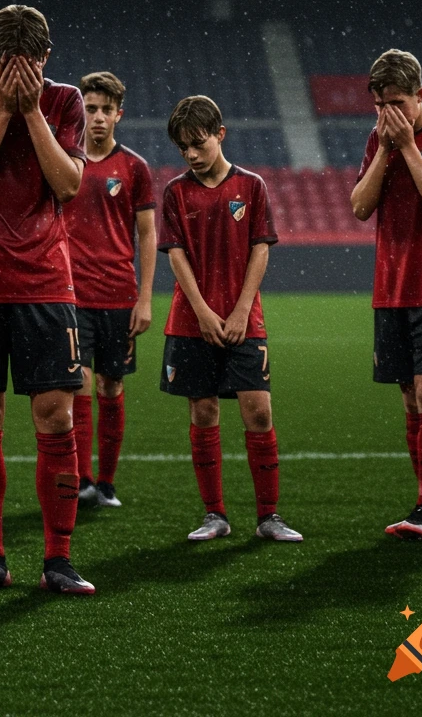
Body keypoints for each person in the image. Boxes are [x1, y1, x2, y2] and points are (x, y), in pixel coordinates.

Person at [0, 5, 96, 595]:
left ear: (46, 61)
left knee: (56, 416)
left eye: (28, 67)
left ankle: (58, 558)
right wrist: (5, 110)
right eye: (7, 67)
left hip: (46, 281)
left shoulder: (64, 103)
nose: (18, 77)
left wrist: (31, 113)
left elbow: (68, 184)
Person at [157, 95, 301, 544]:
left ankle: (269, 517)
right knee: (203, 410)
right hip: (190, 319)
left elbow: (261, 248)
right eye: (183, 148)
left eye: (198, 143)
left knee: (258, 410)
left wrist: (240, 310)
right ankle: (214, 514)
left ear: (220, 134)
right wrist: (201, 311)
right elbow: (176, 255)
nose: (191, 154)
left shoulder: (252, 186)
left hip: (245, 319)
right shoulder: (175, 192)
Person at [350, 49, 422, 541]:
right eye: (379, 105)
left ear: (420, 95)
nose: (387, 114)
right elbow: (359, 207)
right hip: (390, 287)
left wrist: (408, 148)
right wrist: (386, 147)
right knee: (408, 397)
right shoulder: (380, 138)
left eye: (396, 102)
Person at [65, 71, 156, 509]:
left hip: (119, 295)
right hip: (73, 296)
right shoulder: (65, 162)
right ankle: (82, 479)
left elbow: (147, 235)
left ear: (119, 114)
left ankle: (107, 482)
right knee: (79, 382)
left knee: (111, 387)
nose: (97, 117)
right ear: (80, 110)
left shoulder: (134, 167)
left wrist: (145, 299)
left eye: (106, 109)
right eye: (91, 108)